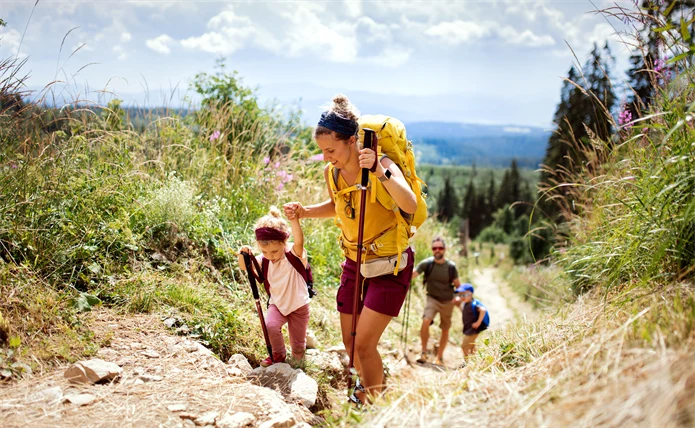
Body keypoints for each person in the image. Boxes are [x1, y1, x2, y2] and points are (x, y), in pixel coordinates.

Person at [283, 94, 417, 405]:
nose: (327, 157)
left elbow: (408, 202)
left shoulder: (382, 164)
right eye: (322, 151)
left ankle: (374, 405)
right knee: (350, 341)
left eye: (331, 150)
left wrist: (381, 174)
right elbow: (338, 204)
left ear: (352, 141)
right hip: (354, 262)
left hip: (389, 264)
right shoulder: (333, 172)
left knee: (365, 345)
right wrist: (304, 212)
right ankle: (367, 393)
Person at [238, 207, 311, 367]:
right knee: (270, 325)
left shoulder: (293, 254)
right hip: (277, 303)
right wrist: (242, 254)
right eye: (264, 251)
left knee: (298, 342)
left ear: (284, 243)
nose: (270, 255)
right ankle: (278, 355)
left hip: (299, 305)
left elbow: (299, 241)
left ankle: (298, 360)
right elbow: (245, 267)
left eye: (274, 251)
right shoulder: (263, 260)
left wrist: (294, 220)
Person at [411, 237, 461, 366]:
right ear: (432, 250)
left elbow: (458, 286)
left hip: (448, 301)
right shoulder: (427, 264)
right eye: (435, 248)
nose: (437, 250)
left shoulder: (451, 267)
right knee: (426, 320)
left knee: (445, 329)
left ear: (445, 249)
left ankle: (439, 357)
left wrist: (459, 298)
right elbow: (413, 274)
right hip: (432, 298)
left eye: (440, 248)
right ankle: (424, 352)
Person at [453, 283, 489, 358]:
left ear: (470, 294)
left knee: (464, 346)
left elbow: (483, 310)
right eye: (460, 295)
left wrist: (478, 322)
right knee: (472, 346)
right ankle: (476, 359)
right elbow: (465, 313)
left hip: (473, 329)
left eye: (464, 295)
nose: (462, 297)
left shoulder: (474, 304)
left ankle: (467, 361)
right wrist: (458, 306)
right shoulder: (466, 304)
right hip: (469, 328)